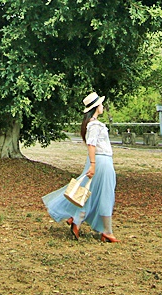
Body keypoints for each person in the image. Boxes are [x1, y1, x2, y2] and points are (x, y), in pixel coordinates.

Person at [42, 91, 119, 243]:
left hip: (101, 161)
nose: (102, 106)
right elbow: (92, 144)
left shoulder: (92, 124)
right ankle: (106, 231)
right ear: (97, 106)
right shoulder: (94, 125)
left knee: (91, 192)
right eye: (101, 104)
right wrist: (93, 164)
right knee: (105, 194)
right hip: (101, 161)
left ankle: (77, 219)